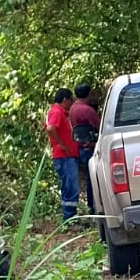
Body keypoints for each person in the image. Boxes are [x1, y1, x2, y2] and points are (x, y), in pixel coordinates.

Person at [45, 88, 79, 222]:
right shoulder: (56, 112)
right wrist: (61, 144)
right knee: (70, 187)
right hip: (64, 157)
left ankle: (70, 217)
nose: (72, 103)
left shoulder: (60, 112)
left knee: (69, 186)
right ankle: (69, 218)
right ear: (65, 100)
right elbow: (50, 128)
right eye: (71, 100)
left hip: (66, 157)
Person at [70, 81, 101, 213]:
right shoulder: (88, 110)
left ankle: (91, 205)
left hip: (81, 147)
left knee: (89, 177)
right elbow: (99, 128)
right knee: (95, 177)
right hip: (91, 146)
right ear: (88, 94)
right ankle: (95, 204)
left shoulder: (72, 109)